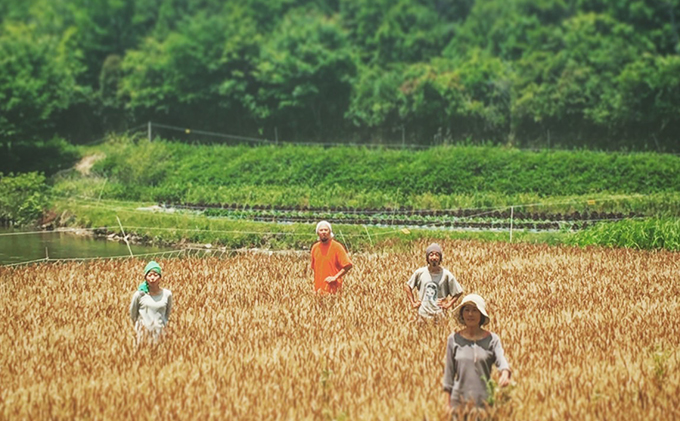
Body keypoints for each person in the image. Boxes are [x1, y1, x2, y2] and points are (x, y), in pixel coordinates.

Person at [442, 294, 512, 413]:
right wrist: (447, 405)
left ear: (481, 315)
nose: (470, 314)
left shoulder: (492, 339)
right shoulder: (453, 340)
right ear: (462, 314)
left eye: (475, 310)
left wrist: (505, 373)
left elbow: (502, 361)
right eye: (467, 310)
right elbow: (448, 376)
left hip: (484, 403)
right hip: (458, 404)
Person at [404, 243, 463, 320]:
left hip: (440, 315)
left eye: (437, 255)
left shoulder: (446, 275)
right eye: (431, 255)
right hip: (422, 316)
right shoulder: (420, 273)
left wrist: (448, 304)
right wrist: (413, 303)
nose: (434, 257)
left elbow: (459, 292)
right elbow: (407, 286)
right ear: (427, 258)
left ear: (440, 258)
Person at [129, 261, 173, 345]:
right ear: (145, 278)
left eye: (155, 275)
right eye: (149, 275)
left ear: (160, 277)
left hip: (160, 335)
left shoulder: (167, 294)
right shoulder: (139, 295)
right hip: (142, 336)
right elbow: (133, 315)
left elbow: (167, 314)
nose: (152, 278)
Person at [310, 220, 353, 294]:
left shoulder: (337, 247)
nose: (323, 232)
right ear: (318, 233)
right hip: (318, 290)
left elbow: (348, 265)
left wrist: (335, 277)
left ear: (330, 232)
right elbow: (314, 268)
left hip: (333, 290)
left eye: (326, 230)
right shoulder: (315, 247)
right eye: (321, 230)